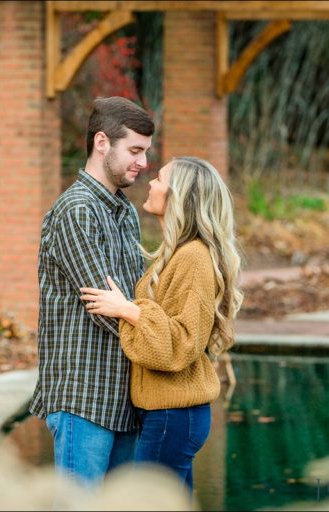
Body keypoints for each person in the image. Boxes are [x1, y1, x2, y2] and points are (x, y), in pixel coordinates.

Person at [79, 156, 244, 492]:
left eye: (160, 178)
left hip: (174, 414)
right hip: (168, 413)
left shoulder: (194, 258)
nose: (150, 183)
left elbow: (184, 343)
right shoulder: (178, 253)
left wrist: (129, 310)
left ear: (179, 196)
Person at [27, 96, 154, 487]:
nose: (143, 163)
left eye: (146, 152)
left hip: (124, 397)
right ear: (102, 143)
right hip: (84, 397)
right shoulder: (77, 210)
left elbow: (136, 299)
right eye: (135, 150)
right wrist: (164, 341)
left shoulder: (124, 211)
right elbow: (107, 309)